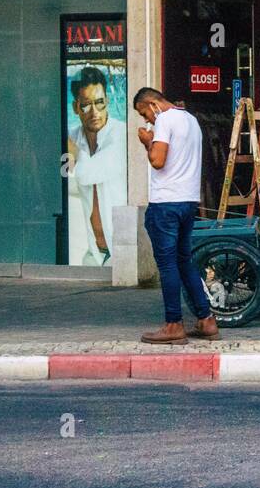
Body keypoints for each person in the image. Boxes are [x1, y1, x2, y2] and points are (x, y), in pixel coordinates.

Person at [132, 87, 218, 345]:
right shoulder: (190, 120)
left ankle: (173, 324)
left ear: (152, 103)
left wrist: (147, 141)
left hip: (166, 203)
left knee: (168, 264)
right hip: (188, 201)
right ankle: (206, 320)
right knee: (184, 261)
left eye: (143, 112)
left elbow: (158, 161)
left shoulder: (165, 121)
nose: (146, 119)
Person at [66, 66, 127, 266]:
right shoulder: (73, 137)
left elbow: (85, 174)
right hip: (91, 249)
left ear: (107, 102)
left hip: (121, 247)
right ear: (76, 108)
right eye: (86, 105)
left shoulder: (120, 135)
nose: (94, 112)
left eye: (99, 103)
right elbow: (63, 180)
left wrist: (74, 152)